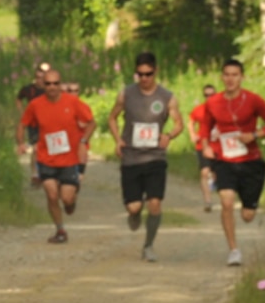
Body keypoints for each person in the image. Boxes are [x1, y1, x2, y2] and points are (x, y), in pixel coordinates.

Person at [199, 59, 265, 266]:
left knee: (247, 215)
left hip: (250, 161)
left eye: (235, 75)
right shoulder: (213, 102)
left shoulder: (254, 100)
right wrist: (206, 145)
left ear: (242, 77)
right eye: (226, 74)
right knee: (226, 202)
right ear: (221, 77)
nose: (230, 79)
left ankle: (251, 203)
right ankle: (233, 250)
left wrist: (255, 134)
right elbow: (205, 127)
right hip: (225, 160)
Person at [107, 52, 183, 262]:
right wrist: (117, 140)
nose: (144, 79)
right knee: (134, 206)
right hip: (131, 156)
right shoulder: (126, 94)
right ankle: (134, 213)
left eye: (148, 74)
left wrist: (169, 135)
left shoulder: (167, 97)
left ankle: (148, 245)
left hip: (155, 158)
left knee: (155, 203)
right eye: (140, 74)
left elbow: (179, 123)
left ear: (155, 72)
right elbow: (112, 118)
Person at [16, 66, 94, 243]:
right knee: (51, 194)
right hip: (46, 159)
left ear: (60, 85)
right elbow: (23, 123)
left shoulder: (72, 103)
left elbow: (91, 123)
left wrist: (83, 142)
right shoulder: (35, 105)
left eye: (55, 83)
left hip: (69, 160)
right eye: (48, 83)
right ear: (43, 85)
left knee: (65, 198)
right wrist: (21, 143)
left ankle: (70, 201)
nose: (51, 87)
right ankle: (60, 230)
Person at [189, 83, 219, 211]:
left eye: (212, 95)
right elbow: (191, 122)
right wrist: (193, 134)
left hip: (218, 146)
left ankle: (216, 186)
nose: (209, 98)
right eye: (206, 95)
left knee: (216, 173)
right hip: (202, 145)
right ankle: (207, 201)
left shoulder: (222, 109)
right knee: (204, 172)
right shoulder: (199, 109)